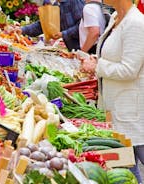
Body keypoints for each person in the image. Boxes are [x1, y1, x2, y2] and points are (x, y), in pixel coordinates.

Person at [80, 0, 144, 182]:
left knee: (132, 159)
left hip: (132, 109)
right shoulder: (116, 18)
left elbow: (129, 69)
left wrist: (97, 66)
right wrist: (97, 59)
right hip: (117, 107)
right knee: (126, 164)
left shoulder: (136, 23)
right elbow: (113, 54)